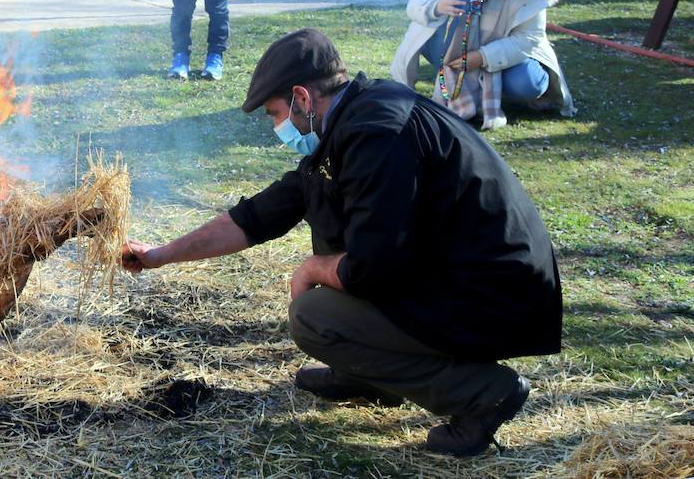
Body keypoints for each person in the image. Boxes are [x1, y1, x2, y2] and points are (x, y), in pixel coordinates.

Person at [120, 27, 562, 458]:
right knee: (332, 240)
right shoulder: (353, 122)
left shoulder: (379, 135)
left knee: (315, 317)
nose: (276, 126)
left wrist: (314, 268)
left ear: (302, 98)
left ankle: (481, 395)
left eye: (275, 113)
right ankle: (369, 377)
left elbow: (376, 266)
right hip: (466, 279)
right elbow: (262, 214)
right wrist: (161, 255)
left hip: (495, 296)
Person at [392, 0, 574, 129]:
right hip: (455, 47)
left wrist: (483, 57)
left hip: (503, 54)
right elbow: (415, 5)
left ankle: (505, 87)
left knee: (527, 84)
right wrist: (437, 6)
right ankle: (458, 85)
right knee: (427, 34)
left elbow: (529, 38)